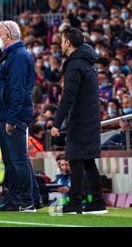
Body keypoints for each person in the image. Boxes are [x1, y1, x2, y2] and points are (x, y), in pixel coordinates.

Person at [0, 21, 39, 212]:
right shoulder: (9, 56)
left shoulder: (18, 56)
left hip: (13, 116)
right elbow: (4, 88)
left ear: (8, 34)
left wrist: (12, 119)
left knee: (17, 159)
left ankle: (25, 200)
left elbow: (17, 90)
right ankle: (16, 198)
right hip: (4, 115)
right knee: (11, 160)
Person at [51, 27, 107, 215]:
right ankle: (98, 202)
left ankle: (75, 202)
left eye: (61, 41)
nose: (60, 44)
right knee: (88, 160)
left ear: (68, 42)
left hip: (81, 118)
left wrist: (56, 123)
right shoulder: (89, 61)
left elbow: (68, 96)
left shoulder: (75, 65)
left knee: (75, 159)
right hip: (91, 116)